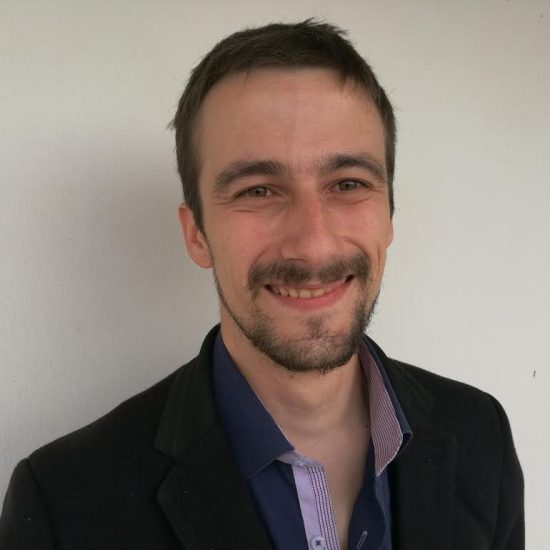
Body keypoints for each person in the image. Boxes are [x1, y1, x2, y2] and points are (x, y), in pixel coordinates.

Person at [0, 19, 524, 550]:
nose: (314, 245)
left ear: (389, 215)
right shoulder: (63, 506)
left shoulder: (482, 438)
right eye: (258, 190)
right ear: (197, 234)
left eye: (348, 183)